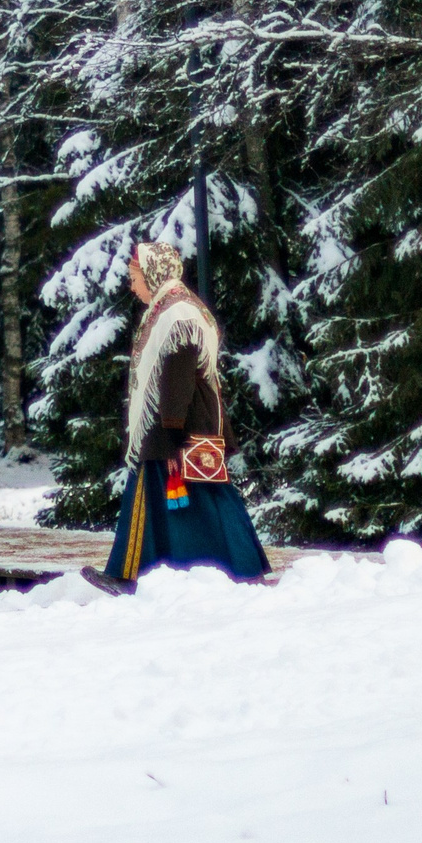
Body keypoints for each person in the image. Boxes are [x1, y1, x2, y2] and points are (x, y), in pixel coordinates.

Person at [88, 240, 270, 591]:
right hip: (178, 423)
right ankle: (237, 570)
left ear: (154, 274)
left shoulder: (177, 314)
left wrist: (172, 435)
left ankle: (133, 576)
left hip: (179, 425)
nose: (132, 285)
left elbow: (179, 377)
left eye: (135, 276)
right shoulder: (169, 309)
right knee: (185, 496)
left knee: (200, 494)